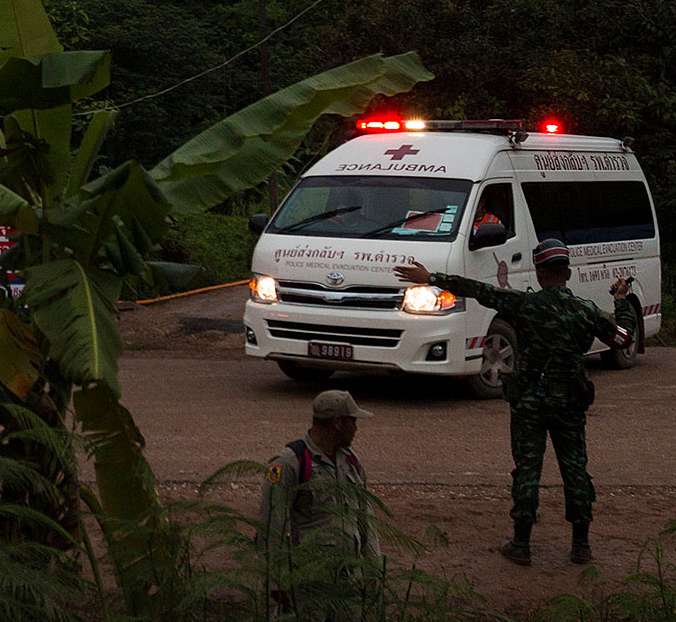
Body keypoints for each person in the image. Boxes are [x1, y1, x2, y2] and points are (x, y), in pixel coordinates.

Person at [394, 239, 635, 566]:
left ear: (538, 273)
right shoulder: (586, 312)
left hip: (529, 401)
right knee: (575, 469)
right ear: (567, 272)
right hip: (569, 402)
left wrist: (431, 278)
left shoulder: (523, 305)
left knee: (527, 470)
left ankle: (521, 543)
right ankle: (581, 545)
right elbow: (622, 338)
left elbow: (478, 290)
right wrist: (620, 301)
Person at [257, 390, 381, 618]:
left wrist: (373, 569)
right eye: (353, 421)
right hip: (307, 584)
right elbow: (271, 525)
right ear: (337, 423)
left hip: (348, 581)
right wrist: (276, 581)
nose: (357, 428)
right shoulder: (289, 463)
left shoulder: (352, 463)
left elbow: (366, 519)